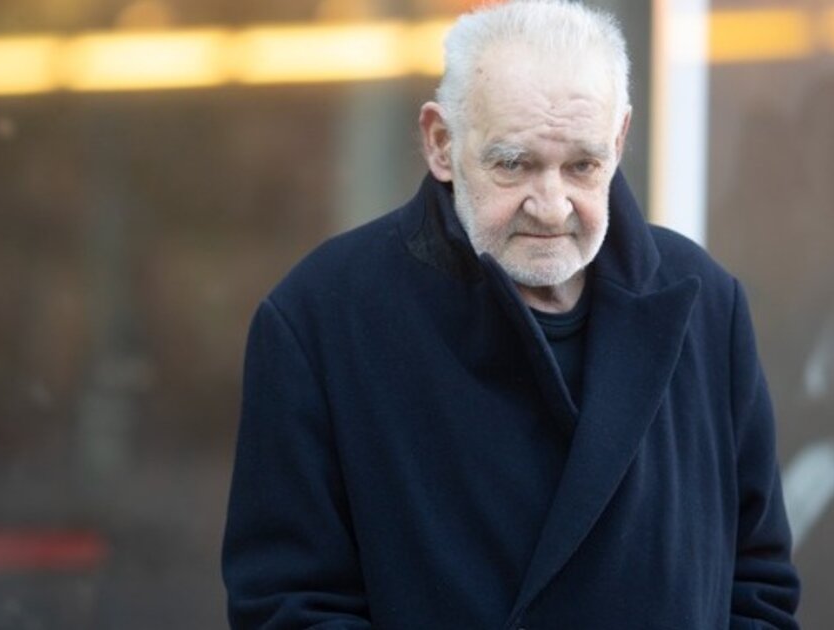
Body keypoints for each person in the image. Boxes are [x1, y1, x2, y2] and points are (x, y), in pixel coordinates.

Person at [221, 1, 801, 627]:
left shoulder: (708, 305)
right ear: (441, 143)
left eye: (582, 166)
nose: (551, 206)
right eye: (514, 164)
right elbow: (288, 605)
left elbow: (757, 585)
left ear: (619, 140)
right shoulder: (322, 318)